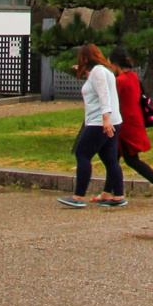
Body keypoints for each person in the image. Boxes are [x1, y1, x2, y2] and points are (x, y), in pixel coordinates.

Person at [58, 43, 125, 208]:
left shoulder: (98, 72)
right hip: (113, 120)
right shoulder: (103, 71)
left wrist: (105, 118)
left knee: (82, 154)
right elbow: (99, 89)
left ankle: (78, 196)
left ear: (86, 58)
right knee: (109, 159)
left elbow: (103, 94)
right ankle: (118, 196)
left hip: (99, 122)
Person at [109, 48, 153, 202]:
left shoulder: (120, 81)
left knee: (130, 159)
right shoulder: (133, 76)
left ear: (115, 63)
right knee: (114, 158)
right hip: (134, 122)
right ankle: (106, 192)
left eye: (109, 62)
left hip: (125, 125)